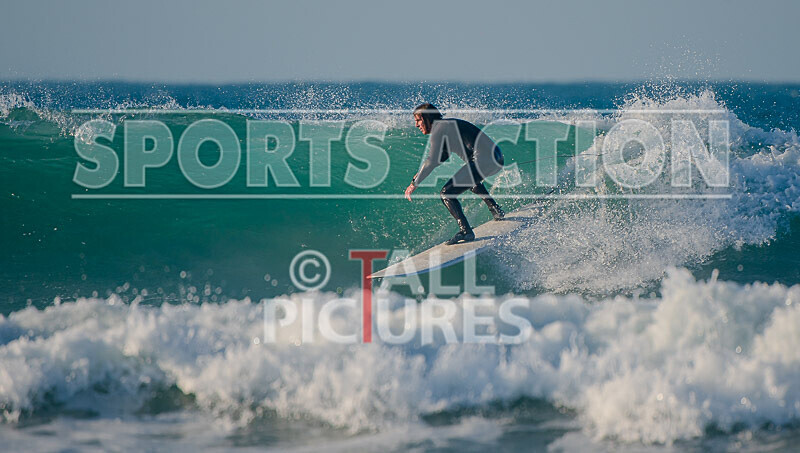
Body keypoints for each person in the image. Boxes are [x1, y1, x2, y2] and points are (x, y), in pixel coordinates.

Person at [404, 103, 505, 245]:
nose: (416, 125)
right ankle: (496, 210)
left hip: (482, 159)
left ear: (427, 118)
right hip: (497, 157)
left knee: (447, 193)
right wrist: (419, 174)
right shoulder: (446, 125)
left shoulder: (439, 127)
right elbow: (442, 156)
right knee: (471, 182)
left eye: (418, 120)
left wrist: (414, 184)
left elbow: (432, 160)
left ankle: (466, 231)